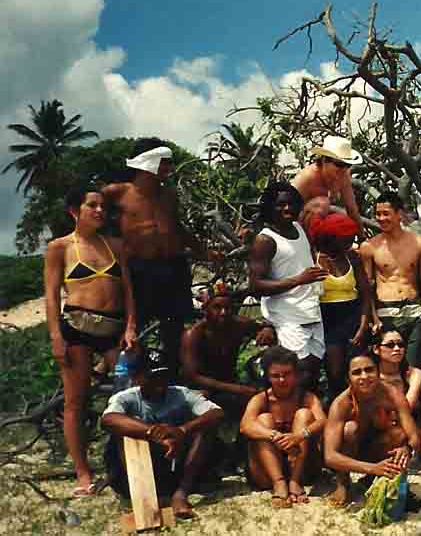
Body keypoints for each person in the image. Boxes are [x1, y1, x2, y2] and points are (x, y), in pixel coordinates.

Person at [44, 185, 138, 496]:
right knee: (76, 402)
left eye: (102, 207)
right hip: (77, 327)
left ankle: (131, 462)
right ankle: (82, 473)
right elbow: (51, 295)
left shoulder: (115, 245)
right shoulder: (60, 247)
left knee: (133, 390)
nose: (99, 211)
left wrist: (130, 326)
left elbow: (127, 290)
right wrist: (56, 336)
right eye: (91, 205)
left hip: (113, 330)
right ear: (75, 210)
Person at [102, 137, 222, 376]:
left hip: (173, 267)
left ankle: (172, 377)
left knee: (174, 328)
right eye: (164, 162)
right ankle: (127, 378)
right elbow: (92, 217)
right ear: (148, 162)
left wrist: (203, 253)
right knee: (132, 327)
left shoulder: (168, 194)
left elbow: (178, 228)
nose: (169, 168)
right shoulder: (117, 192)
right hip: (138, 270)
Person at [101, 349, 224, 519]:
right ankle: (144, 498)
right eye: (152, 377)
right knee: (124, 432)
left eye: (163, 376)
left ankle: (181, 493)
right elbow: (109, 419)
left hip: (177, 460)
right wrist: (155, 433)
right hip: (147, 460)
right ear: (137, 378)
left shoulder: (181, 393)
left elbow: (216, 413)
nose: (159, 382)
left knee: (206, 428)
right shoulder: (126, 398)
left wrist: (182, 430)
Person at [249, 181, 327, 391]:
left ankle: (307, 417)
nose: (287, 209)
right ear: (269, 208)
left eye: (292, 204)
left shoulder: (298, 228)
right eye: (280, 205)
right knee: (294, 373)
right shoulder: (265, 240)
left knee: (312, 369)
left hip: (311, 311)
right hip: (287, 315)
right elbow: (255, 286)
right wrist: (299, 280)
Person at [324, 353, 421, 507]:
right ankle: (343, 482)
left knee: (399, 434)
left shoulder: (392, 394)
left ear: (378, 372)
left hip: (379, 447)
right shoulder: (341, 404)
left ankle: (375, 479)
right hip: (352, 450)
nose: (364, 376)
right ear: (348, 379)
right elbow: (330, 456)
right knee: (349, 429)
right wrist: (372, 468)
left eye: (369, 370)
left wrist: (406, 448)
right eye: (357, 372)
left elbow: (414, 435)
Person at [240, 346, 326, 508]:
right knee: (263, 419)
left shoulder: (307, 397)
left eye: (287, 374)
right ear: (267, 376)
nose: (281, 380)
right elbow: (245, 426)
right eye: (275, 376)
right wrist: (274, 435)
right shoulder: (261, 399)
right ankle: (279, 482)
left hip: (302, 468)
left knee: (304, 415)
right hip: (266, 471)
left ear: (296, 375)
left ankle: (294, 481)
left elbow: (322, 420)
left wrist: (299, 436)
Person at [359, 191, 421, 371]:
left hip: (414, 311)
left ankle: (415, 399)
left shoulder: (419, 243)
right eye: (378, 214)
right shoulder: (369, 247)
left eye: (386, 213)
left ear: (399, 214)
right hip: (386, 312)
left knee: (415, 367)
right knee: (389, 368)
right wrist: (373, 318)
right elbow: (367, 287)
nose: (381, 218)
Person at [180, 285, 277, 422]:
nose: (224, 312)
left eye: (228, 308)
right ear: (205, 308)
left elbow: (261, 327)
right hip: (202, 387)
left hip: (230, 382)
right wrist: (236, 389)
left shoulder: (238, 325)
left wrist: (266, 329)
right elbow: (194, 377)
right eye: (217, 307)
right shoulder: (193, 335)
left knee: (263, 401)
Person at [311, 212, 373, 398]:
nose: (350, 242)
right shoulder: (314, 258)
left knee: (358, 368)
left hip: (353, 315)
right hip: (327, 319)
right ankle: (337, 410)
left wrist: (363, 324)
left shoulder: (352, 258)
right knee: (335, 373)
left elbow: (365, 293)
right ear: (332, 239)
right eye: (346, 239)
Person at [291, 136, 364, 238]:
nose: (343, 169)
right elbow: (287, 208)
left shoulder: (343, 176)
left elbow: (352, 209)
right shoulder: (307, 178)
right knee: (322, 203)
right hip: (297, 225)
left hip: (321, 225)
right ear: (325, 160)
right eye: (339, 164)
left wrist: (362, 238)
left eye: (347, 165)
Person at [373, 330, 421, 414]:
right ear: (376, 349)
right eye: (390, 345)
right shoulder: (370, 375)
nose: (397, 349)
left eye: (401, 345)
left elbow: (407, 408)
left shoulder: (414, 373)